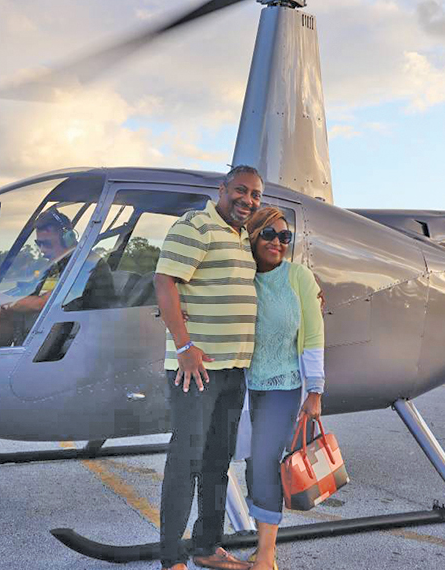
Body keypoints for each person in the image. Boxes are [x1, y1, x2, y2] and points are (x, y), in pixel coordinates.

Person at [153, 165, 264, 570]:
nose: (248, 200)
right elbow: (165, 282)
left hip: (234, 368)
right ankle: (171, 560)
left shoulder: (241, 237)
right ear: (222, 190)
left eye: (255, 195)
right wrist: (184, 345)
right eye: (241, 190)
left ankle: (206, 548)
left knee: (219, 461)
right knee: (187, 461)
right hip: (196, 370)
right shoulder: (196, 226)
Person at [241, 206, 325, 570]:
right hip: (240, 388)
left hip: (282, 386)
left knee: (264, 462)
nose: (278, 242)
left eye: (285, 236)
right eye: (270, 234)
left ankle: (266, 554)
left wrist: (315, 389)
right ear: (253, 236)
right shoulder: (239, 276)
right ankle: (260, 542)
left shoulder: (299, 278)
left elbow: (313, 336)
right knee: (250, 462)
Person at [0, 205, 114, 346]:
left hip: (83, 338)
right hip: (58, 330)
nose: (42, 250)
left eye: (46, 244)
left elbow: (43, 303)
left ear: (68, 238)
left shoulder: (85, 263)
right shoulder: (56, 265)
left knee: (6, 310)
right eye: (38, 244)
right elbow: (26, 295)